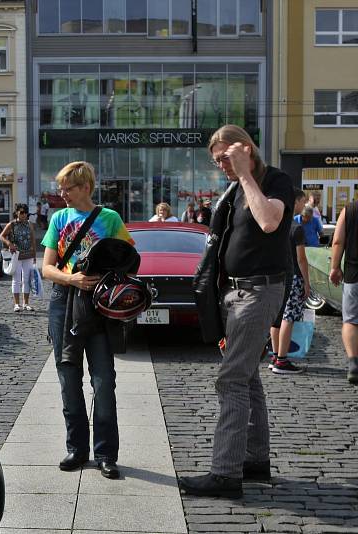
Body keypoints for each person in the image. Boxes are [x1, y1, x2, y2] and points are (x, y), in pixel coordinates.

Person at [179, 124, 293, 498]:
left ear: (245, 148)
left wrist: (244, 172)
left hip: (259, 292)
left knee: (230, 381)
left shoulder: (273, 181)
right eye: (218, 162)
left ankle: (225, 475)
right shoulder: (233, 188)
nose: (222, 167)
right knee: (248, 378)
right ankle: (255, 460)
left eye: (226, 158)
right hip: (235, 293)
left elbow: (269, 221)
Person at [41, 161, 134, 479]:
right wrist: (73, 280)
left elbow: (130, 261)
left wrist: (106, 278)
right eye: (60, 187)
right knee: (69, 380)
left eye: (66, 188)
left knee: (103, 381)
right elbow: (47, 268)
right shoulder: (59, 219)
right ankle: (77, 449)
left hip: (98, 307)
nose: (61, 193)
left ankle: (106, 453)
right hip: (63, 303)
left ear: (85, 187)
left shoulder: (110, 219)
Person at [268, 188, 309, 374]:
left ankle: (275, 355)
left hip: (277, 275)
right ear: (296, 202)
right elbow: (301, 259)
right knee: (288, 318)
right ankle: (282, 361)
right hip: (293, 277)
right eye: (303, 201)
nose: (304, 205)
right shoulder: (296, 227)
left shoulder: (278, 224)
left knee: (276, 317)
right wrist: (307, 283)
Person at [327, 200, 358, 384]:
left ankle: (354, 363)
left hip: (354, 275)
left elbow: (338, 241)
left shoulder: (350, 210)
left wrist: (335, 267)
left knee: (352, 320)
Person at [1, 204, 37, 312]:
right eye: (21, 212)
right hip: (16, 256)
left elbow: (33, 239)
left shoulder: (29, 224)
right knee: (16, 280)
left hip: (28, 255)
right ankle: (16, 304)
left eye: (25, 213)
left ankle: (26, 303)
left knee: (26, 279)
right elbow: (1, 236)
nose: (24, 215)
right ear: (17, 212)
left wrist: (34, 254)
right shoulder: (11, 224)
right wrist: (9, 244)